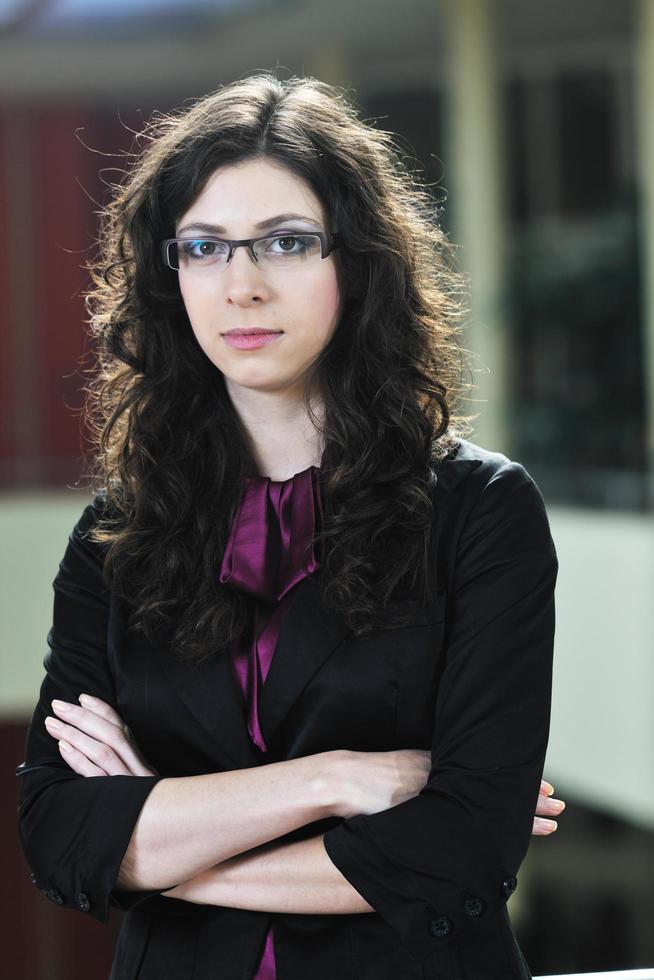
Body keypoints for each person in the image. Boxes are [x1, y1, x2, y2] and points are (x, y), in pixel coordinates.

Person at [15, 72, 564, 980]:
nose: (243, 286)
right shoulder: (116, 536)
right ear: (171, 274)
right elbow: (59, 833)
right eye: (204, 247)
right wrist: (336, 780)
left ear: (359, 262)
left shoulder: (480, 511)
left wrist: (160, 849)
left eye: (286, 242)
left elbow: (464, 845)